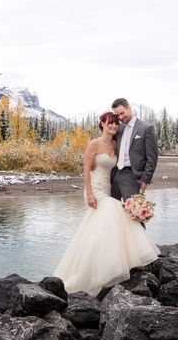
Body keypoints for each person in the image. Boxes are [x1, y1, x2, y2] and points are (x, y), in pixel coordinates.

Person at [53, 111, 159, 296]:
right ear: (101, 124)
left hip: (108, 188)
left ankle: (104, 263)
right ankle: (114, 265)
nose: (113, 126)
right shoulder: (93, 144)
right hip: (94, 188)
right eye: (109, 123)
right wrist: (91, 194)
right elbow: (86, 171)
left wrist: (142, 176)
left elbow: (128, 158)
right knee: (116, 209)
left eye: (115, 123)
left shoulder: (116, 144)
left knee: (100, 227)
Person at [111, 98, 159, 202]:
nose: (120, 117)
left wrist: (145, 180)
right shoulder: (118, 129)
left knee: (131, 213)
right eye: (117, 115)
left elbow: (152, 158)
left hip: (132, 177)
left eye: (122, 113)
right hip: (114, 175)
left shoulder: (146, 128)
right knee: (114, 210)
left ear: (129, 108)